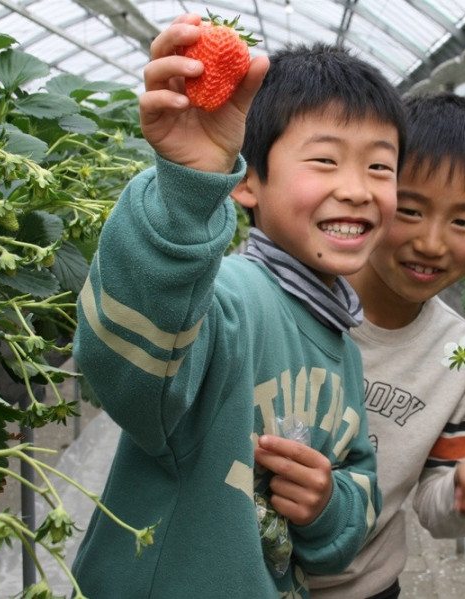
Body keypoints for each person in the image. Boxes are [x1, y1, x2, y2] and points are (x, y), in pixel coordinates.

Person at [70, 13, 406, 597]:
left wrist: (327, 503)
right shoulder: (226, 297)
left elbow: (358, 481)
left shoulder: (342, 340)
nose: (357, 188)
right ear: (247, 182)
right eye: (325, 160)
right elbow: (121, 368)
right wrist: (186, 190)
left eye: (380, 166)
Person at [308, 91, 465, 598]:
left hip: (362, 586)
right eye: (409, 210)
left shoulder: (458, 354)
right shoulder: (294, 300)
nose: (432, 242)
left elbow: (438, 505)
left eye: (462, 222)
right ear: (375, 194)